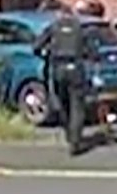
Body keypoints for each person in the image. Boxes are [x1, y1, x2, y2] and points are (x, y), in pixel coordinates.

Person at [33, 12, 94, 155]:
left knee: (63, 102)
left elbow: (36, 46)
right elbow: (90, 50)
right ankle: (75, 140)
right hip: (76, 68)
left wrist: (45, 53)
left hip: (59, 69)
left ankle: (69, 133)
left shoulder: (54, 27)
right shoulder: (80, 28)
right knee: (77, 106)